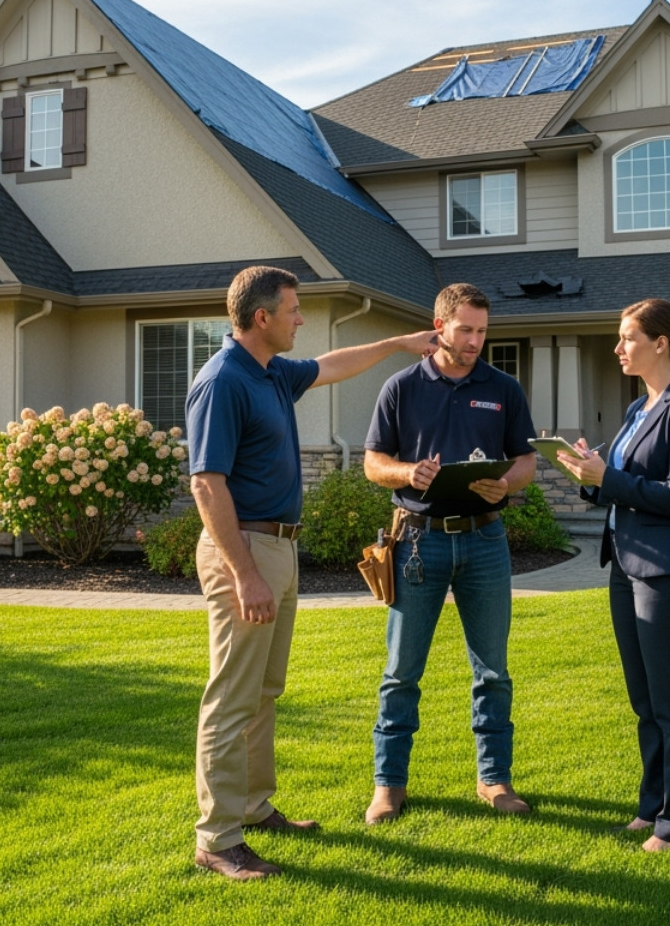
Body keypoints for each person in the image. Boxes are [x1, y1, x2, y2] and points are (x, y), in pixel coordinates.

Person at [186, 265, 436, 882]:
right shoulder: (223, 381)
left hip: (279, 547)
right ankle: (217, 839)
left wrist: (399, 345)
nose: (301, 319)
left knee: (264, 692)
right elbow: (206, 483)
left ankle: (252, 806)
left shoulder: (271, 372)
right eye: (293, 310)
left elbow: (333, 365)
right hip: (243, 548)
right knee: (232, 695)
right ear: (261, 317)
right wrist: (245, 574)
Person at [360, 283, 538, 825]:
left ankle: (495, 779)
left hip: (485, 541)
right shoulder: (401, 386)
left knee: (493, 672)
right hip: (417, 541)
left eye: (483, 331)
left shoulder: (503, 388)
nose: (476, 341)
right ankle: (389, 786)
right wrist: (406, 473)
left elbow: (526, 461)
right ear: (439, 327)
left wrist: (505, 485)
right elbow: (372, 462)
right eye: (466, 330)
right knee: (401, 672)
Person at [556, 298, 670, 852]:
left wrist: (610, 477)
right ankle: (653, 807)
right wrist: (588, 472)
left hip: (668, 570)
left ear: (661, 344)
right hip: (625, 565)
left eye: (627, 338)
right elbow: (618, 484)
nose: (618, 348)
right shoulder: (636, 409)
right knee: (644, 699)